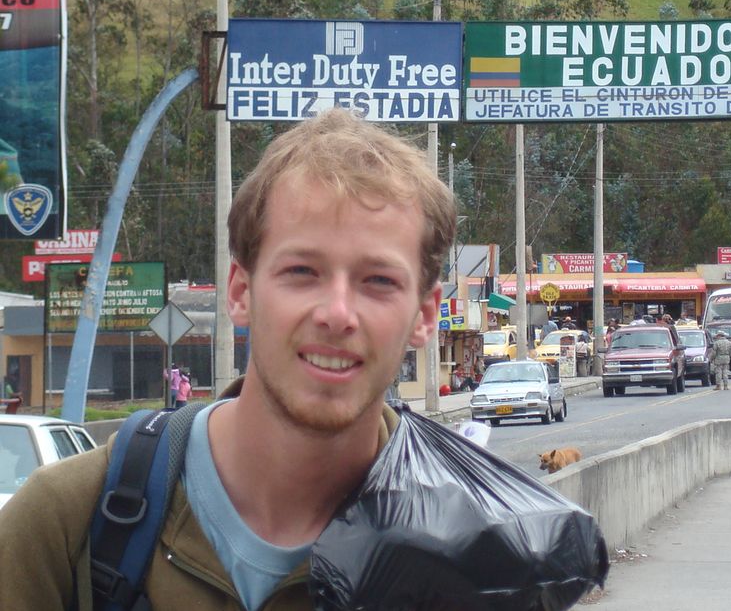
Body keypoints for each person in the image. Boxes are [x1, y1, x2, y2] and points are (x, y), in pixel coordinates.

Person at [0, 108, 456, 609]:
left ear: (424, 315)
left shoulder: (472, 550)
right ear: (240, 291)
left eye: (379, 281)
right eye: (302, 271)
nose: (337, 314)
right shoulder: (64, 523)